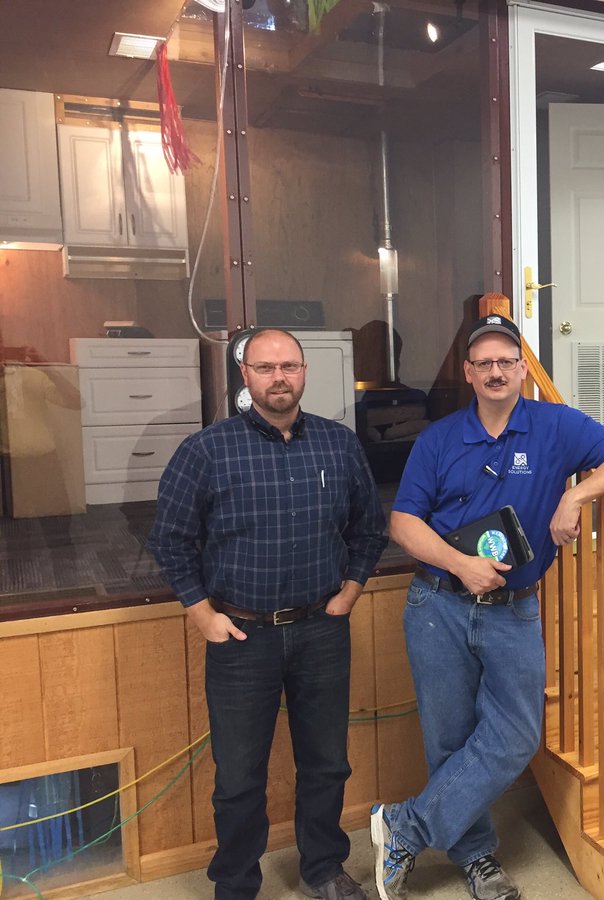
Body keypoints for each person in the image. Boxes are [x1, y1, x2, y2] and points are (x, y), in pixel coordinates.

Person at [370, 314, 604, 900]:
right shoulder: (439, 438)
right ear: (468, 373)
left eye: (507, 361)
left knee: (518, 736)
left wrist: (574, 494)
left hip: (514, 609)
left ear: (523, 370)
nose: (496, 372)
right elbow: (401, 522)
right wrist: (459, 562)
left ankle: (404, 826)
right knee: (449, 739)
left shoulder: (556, 426)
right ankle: (477, 859)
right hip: (438, 604)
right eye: (484, 363)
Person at [149, 328, 387, 900]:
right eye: (265, 368)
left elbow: (369, 529)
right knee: (237, 776)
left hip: (321, 629)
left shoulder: (338, 444)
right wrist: (202, 615)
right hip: (239, 636)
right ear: (245, 376)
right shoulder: (205, 450)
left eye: (289, 366)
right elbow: (170, 540)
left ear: (304, 372)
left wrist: (351, 591)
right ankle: (234, 882)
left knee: (328, 763)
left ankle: (325, 869)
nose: (279, 377)